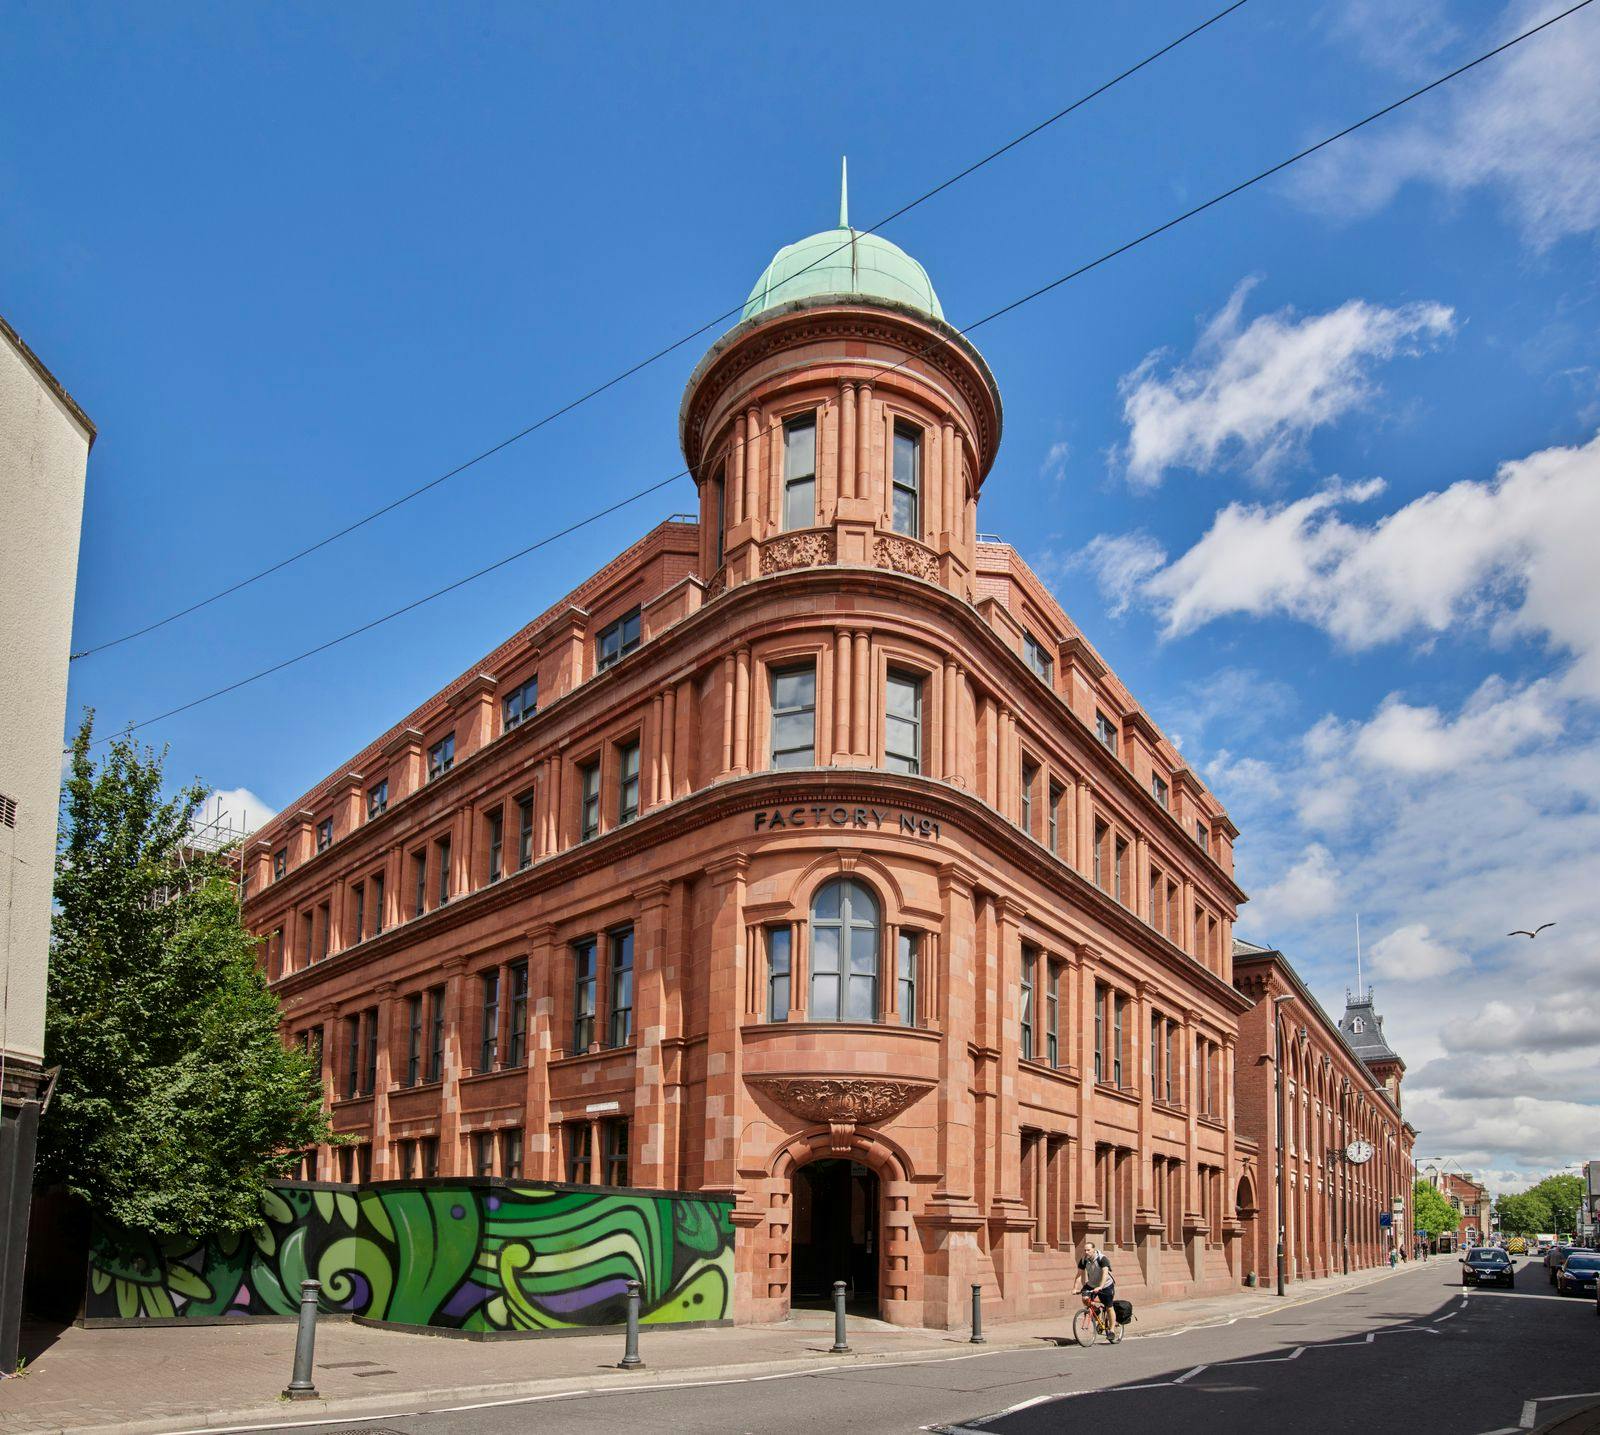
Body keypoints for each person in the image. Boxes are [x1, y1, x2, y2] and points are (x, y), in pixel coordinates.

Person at [1078, 1241, 1117, 1336]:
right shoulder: (1084, 1260)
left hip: (1106, 1285)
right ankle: (1096, 1310)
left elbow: (1105, 1273)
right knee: (1085, 1298)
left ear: (1094, 1250)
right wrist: (1075, 1288)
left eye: (1088, 1250)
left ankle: (1112, 1330)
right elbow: (1079, 1274)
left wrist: (1100, 1287)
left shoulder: (1102, 1259)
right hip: (1092, 1284)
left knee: (1109, 1307)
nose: (1086, 1252)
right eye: (1085, 1250)